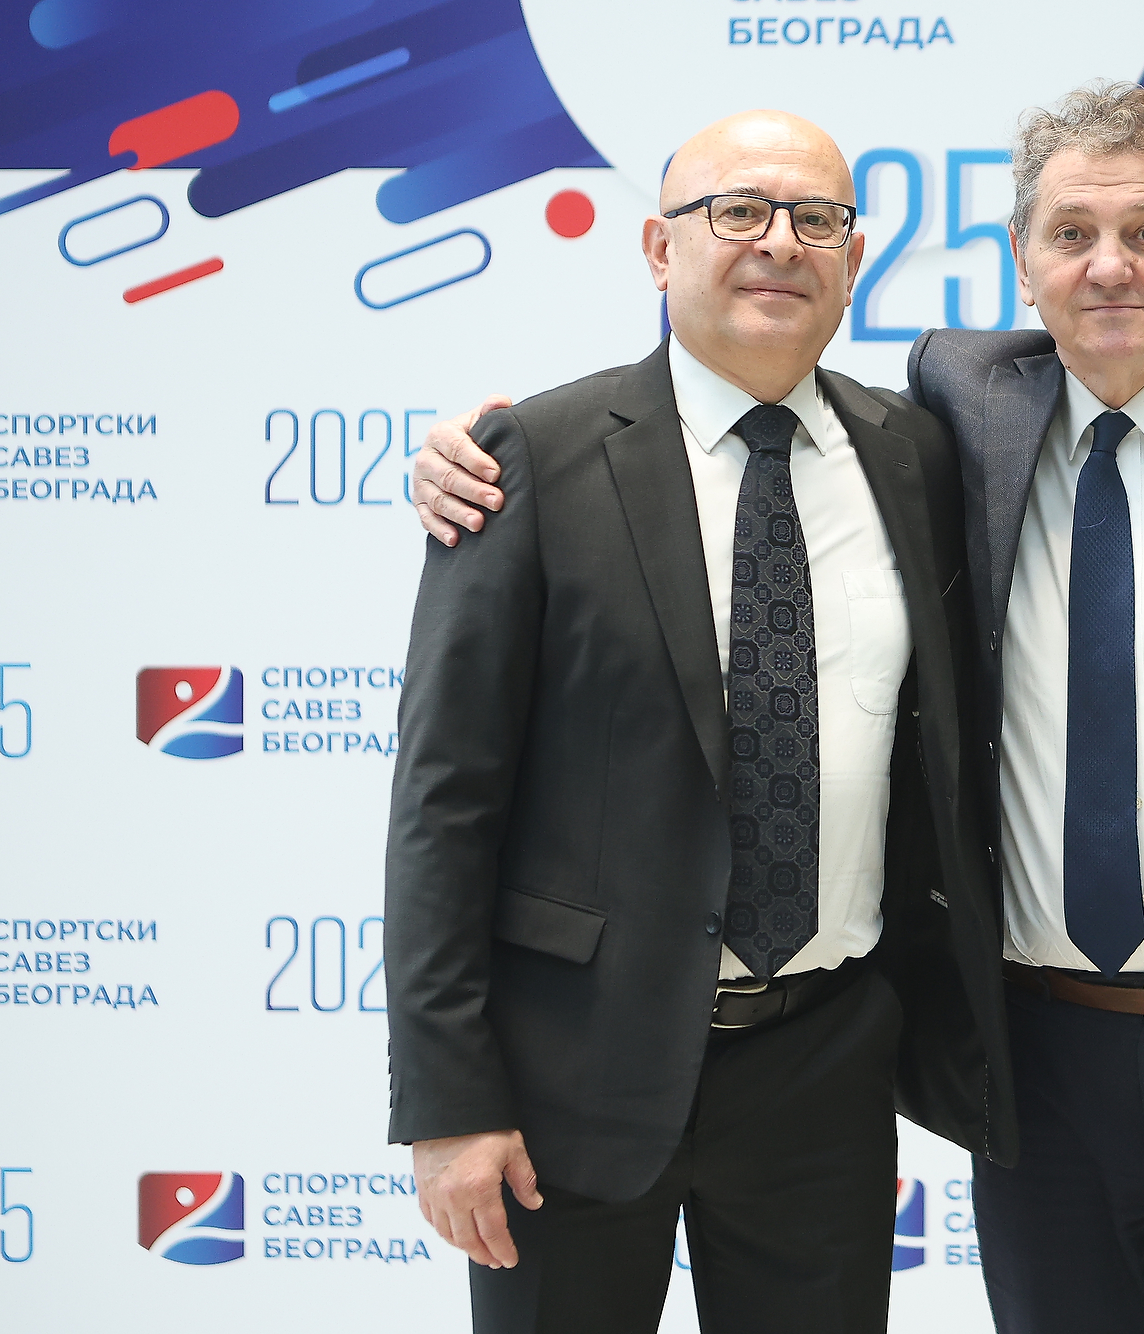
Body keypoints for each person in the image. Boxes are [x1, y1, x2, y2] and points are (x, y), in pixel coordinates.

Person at [412, 83, 1144, 1334]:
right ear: (1020, 266)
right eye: (1070, 235)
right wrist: (469, 447)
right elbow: (447, 801)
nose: (1108, 268)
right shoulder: (942, 422)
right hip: (1031, 1072)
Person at [384, 109, 1010, 1334]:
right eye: (737, 211)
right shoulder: (529, 458)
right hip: (569, 1069)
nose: (778, 242)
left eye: (815, 219)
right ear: (658, 248)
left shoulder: (919, 456)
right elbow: (443, 802)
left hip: (825, 1060)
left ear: (853, 259)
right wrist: (449, 1100)